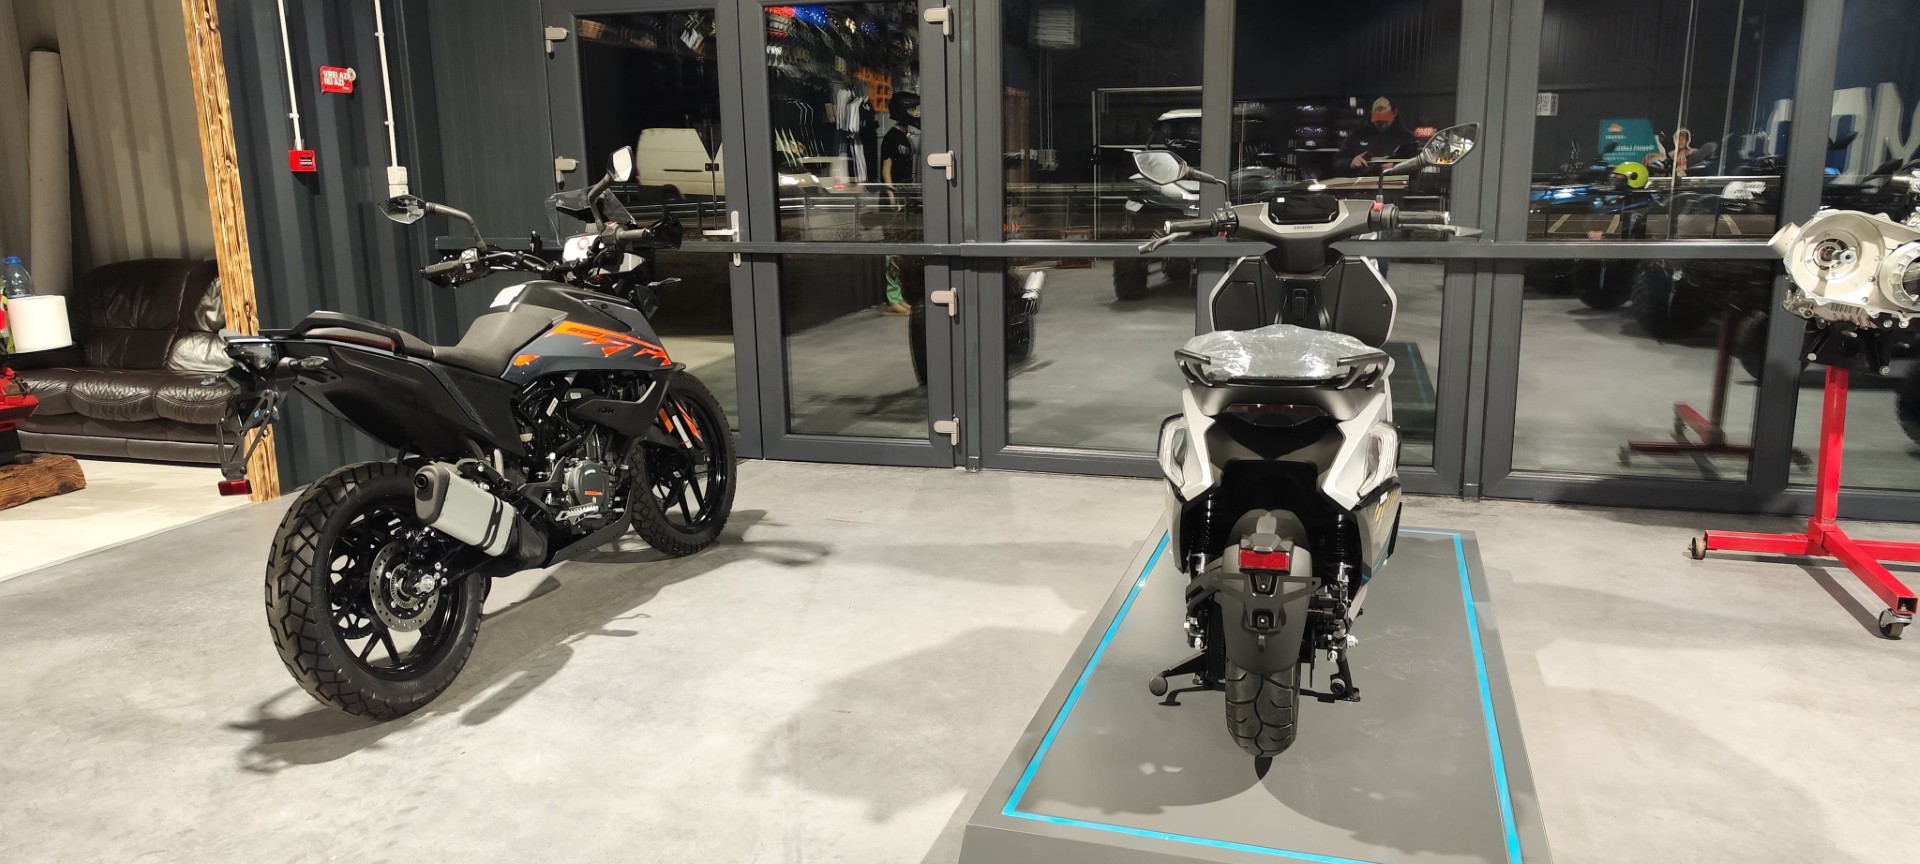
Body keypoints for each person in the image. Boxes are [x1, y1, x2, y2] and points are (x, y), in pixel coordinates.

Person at [881, 92, 921, 316]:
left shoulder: (905, 138)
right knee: (892, 252)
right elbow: (886, 172)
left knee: (901, 250)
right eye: (913, 109)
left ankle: (899, 296)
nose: (917, 113)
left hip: (904, 200)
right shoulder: (891, 138)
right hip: (893, 203)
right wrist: (893, 201)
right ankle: (892, 298)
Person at [1341, 96, 1418, 175]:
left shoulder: (1407, 138)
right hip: (1363, 180)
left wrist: (1397, 167)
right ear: (1371, 113)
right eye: (1378, 121)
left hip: (1396, 181)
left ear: (1394, 113)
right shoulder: (1357, 135)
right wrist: (1350, 163)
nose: (1382, 125)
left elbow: (1418, 165)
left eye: (1385, 121)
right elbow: (1337, 162)